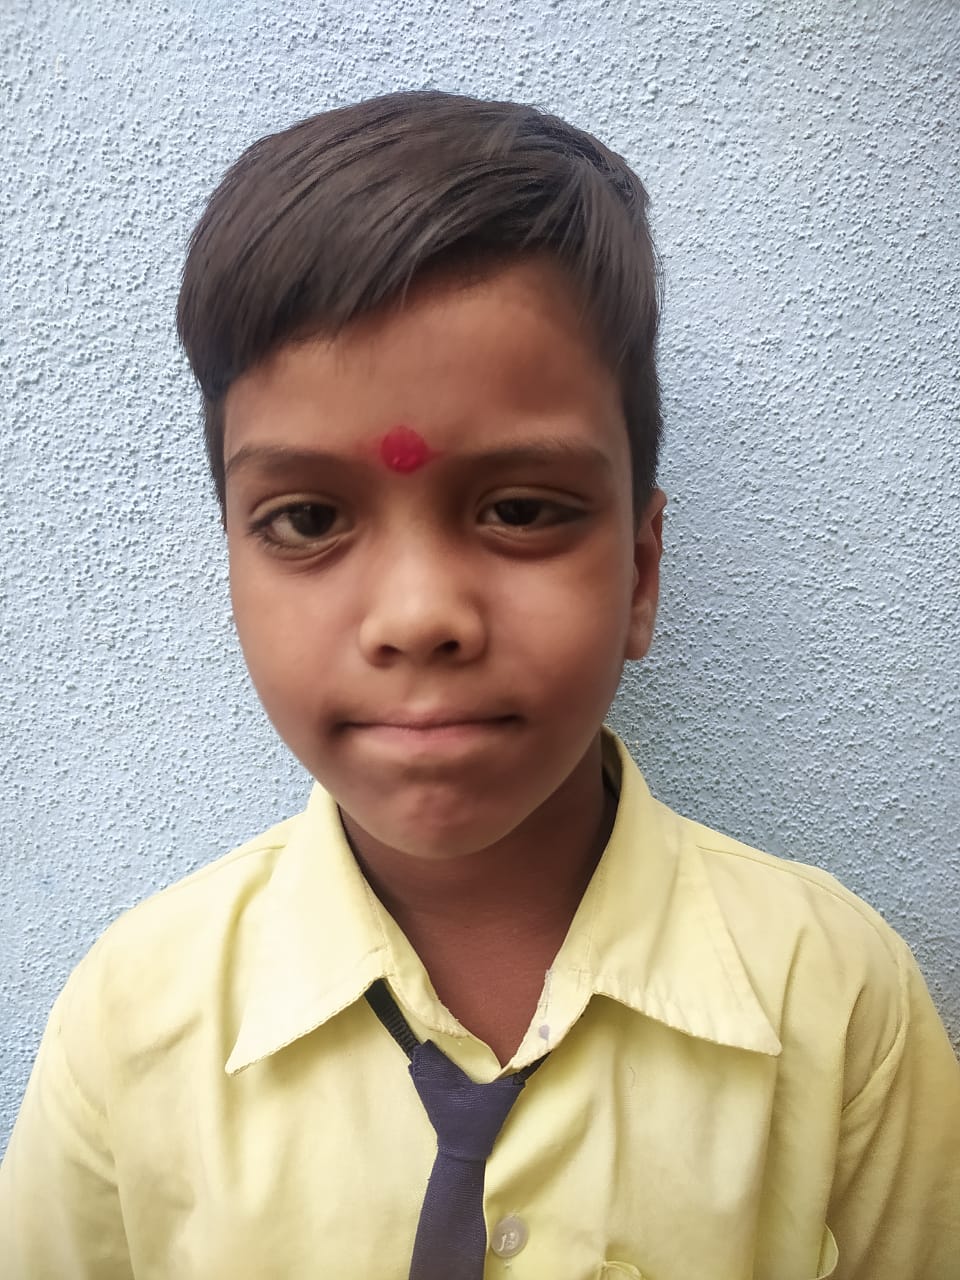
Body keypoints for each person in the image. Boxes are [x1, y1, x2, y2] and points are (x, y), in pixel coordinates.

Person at [1, 89, 957, 1280]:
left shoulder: (836, 1002)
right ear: (231, 570)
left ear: (643, 571)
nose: (419, 617)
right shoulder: (133, 1021)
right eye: (308, 518)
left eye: (520, 508)